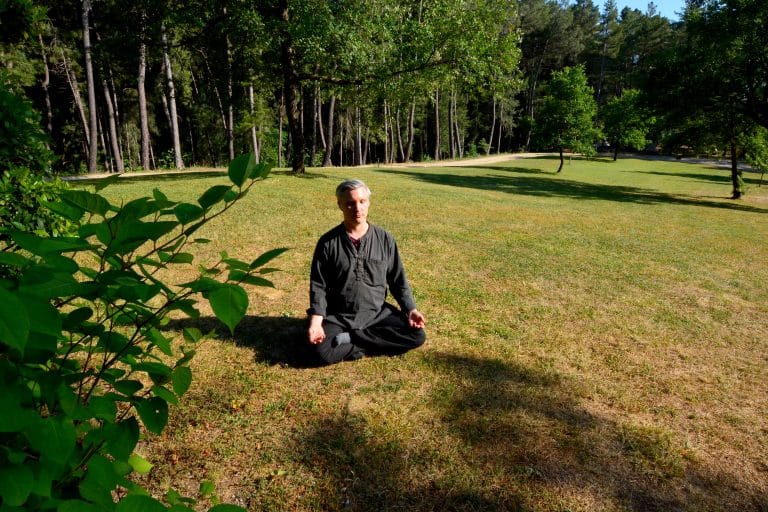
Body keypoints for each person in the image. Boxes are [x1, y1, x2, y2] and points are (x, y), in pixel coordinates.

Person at [307, 179, 426, 365]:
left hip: (377, 314)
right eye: (350, 203)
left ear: (368, 202)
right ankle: (370, 341)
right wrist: (315, 323)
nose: (357, 208)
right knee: (321, 351)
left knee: (416, 336)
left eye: (362, 201)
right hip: (340, 316)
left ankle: (352, 340)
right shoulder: (327, 243)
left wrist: (411, 310)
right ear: (340, 205)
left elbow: (398, 280)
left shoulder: (385, 239)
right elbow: (318, 287)